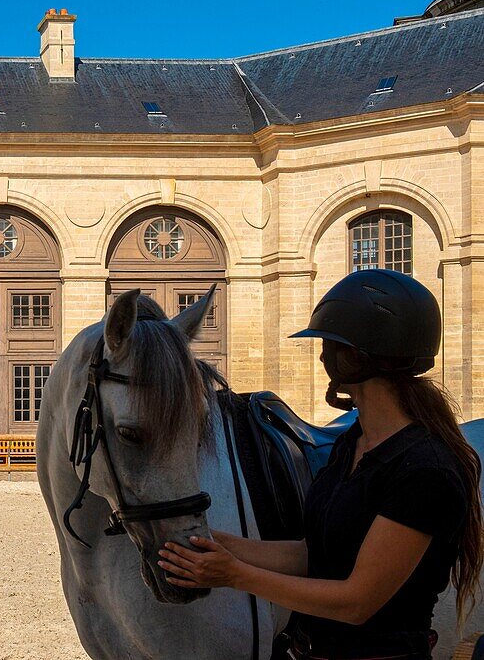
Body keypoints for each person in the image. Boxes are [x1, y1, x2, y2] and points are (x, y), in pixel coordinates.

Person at [158, 269, 482, 660]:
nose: (323, 354)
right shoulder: (353, 444)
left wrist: (234, 575)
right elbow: (314, 555)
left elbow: (356, 602)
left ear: (357, 358)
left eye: (330, 344)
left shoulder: (425, 470)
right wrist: (219, 542)